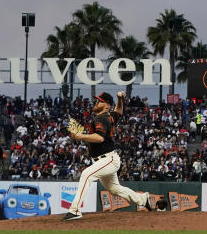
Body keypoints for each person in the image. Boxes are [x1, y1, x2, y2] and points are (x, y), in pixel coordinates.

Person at [62, 92, 152, 221]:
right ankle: (141, 199)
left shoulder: (101, 119)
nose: (96, 103)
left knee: (86, 174)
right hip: (106, 160)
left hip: (108, 159)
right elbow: (119, 111)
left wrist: (79, 136)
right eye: (97, 100)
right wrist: (120, 99)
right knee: (114, 189)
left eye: (100, 101)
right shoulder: (107, 117)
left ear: (106, 105)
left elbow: (99, 138)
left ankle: (75, 210)